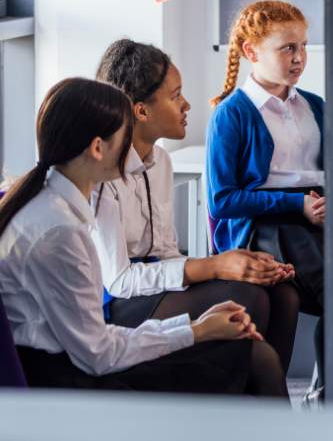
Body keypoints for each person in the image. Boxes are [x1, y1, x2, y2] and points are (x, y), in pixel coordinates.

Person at [0, 78, 285, 395]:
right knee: (257, 361)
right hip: (67, 381)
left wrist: (192, 327)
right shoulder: (60, 231)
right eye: (126, 139)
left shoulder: (46, 202)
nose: (132, 151)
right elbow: (99, 355)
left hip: (71, 362)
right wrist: (196, 331)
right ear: (97, 148)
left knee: (250, 356)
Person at [93, 39, 298, 378]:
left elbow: (166, 252)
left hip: (155, 287)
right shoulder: (102, 175)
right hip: (114, 303)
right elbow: (118, 281)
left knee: (283, 296)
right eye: (175, 97)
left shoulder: (160, 162)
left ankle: (254, 394)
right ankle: (242, 393)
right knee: (251, 299)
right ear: (141, 110)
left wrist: (238, 263)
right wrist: (214, 267)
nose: (186, 105)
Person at [207, 0, 325, 379]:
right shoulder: (233, 114)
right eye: (287, 47)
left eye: (304, 46)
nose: (299, 57)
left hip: (316, 217)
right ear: (251, 51)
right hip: (268, 226)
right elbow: (222, 200)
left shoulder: (315, 107)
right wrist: (296, 204)